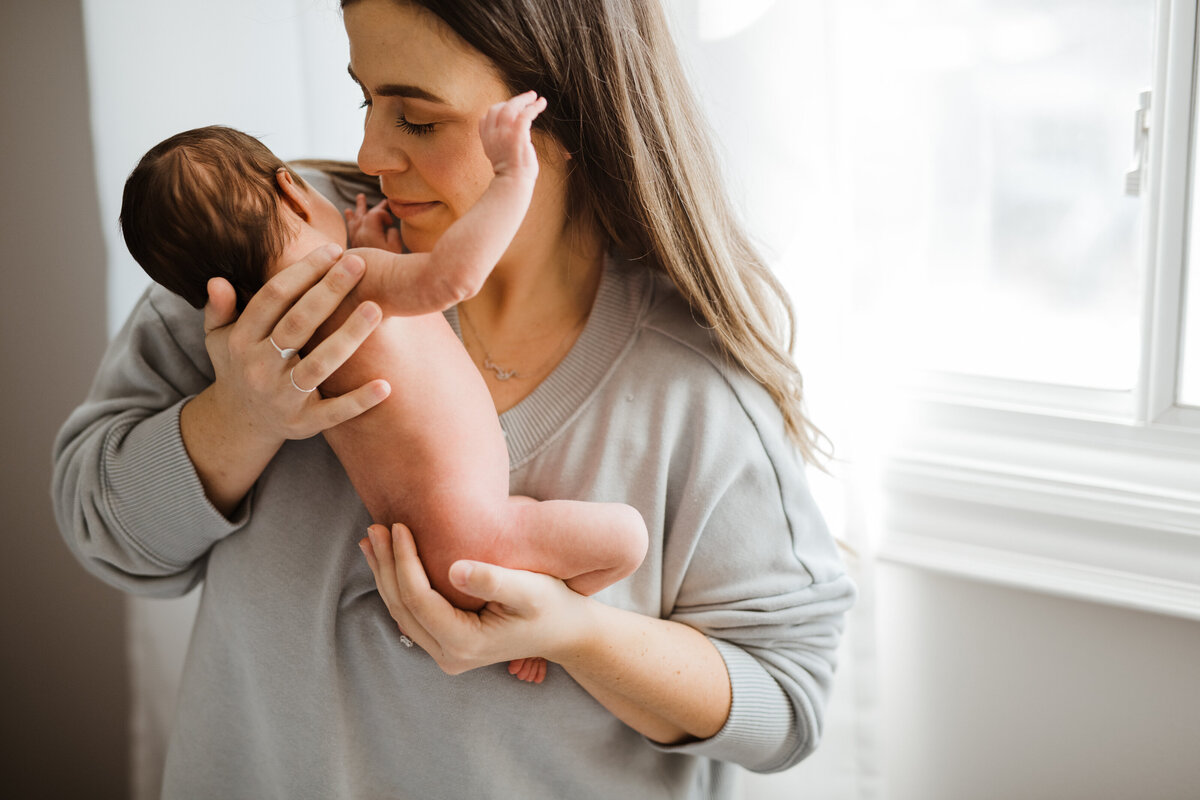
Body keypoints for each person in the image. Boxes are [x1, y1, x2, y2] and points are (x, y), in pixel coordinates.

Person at [52, 0, 856, 796]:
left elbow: (785, 706)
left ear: (557, 122)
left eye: (419, 119)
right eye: (367, 99)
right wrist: (242, 415)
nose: (369, 151)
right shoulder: (238, 287)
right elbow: (103, 536)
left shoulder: (695, 386)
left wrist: (579, 636)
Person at [118, 104, 648, 683]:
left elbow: (400, 338)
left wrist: (379, 251)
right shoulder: (350, 277)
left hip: (441, 553)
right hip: (481, 537)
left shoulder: (275, 349)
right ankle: (550, 617)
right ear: (294, 193)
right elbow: (452, 280)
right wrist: (511, 177)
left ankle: (523, 615)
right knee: (628, 539)